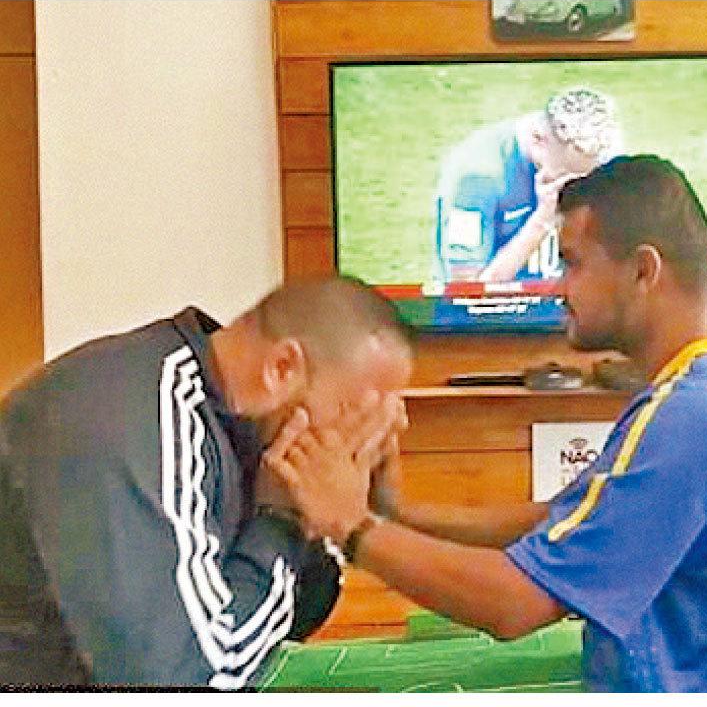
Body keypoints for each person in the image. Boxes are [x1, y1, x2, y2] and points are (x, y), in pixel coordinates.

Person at [273, 155, 707, 691]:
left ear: (642, 271)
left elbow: (516, 604)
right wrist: (395, 513)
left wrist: (352, 527)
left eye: (573, 263)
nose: (559, 288)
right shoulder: (695, 393)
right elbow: (556, 523)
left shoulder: (695, 415)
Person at [0, 277, 412, 689]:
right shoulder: (144, 420)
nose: (367, 436)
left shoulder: (235, 425)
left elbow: (285, 623)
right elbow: (193, 679)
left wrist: (336, 518)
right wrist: (280, 520)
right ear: (282, 368)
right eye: (357, 413)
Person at [431, 86, 621, 288]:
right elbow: (466, 292)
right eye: (566, 177)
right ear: (538, 141)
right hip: (501, 306)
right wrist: (543, 220)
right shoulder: (476, 178)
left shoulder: (600, 155)